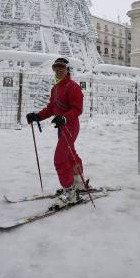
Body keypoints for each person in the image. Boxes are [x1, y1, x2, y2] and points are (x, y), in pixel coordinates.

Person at [26, 57, 85, 208]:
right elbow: (52, 108)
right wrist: (37, 116)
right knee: (71, 154)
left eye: (61, 67)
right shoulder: (56, 88)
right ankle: (78, 183)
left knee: (60, 159)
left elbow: (77, 109)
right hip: (61, 127)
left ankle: (70, 192)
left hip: (70, 127)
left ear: (67, 70)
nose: (58, 70)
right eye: (56, 68)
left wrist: (64, 118)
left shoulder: (73, 87)